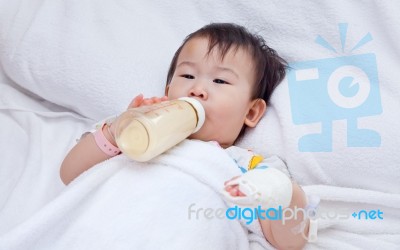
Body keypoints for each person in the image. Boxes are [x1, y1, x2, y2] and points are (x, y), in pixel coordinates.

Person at [60, 23, 311, 249]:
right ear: (168, 92)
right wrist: (117, 132)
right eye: (188, 76)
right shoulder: (132, 133)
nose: (197, 89)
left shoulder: (249, 167)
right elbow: (70, 173)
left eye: (220, 81)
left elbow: (290, 241)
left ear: (252, 111)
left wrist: (283, 193)